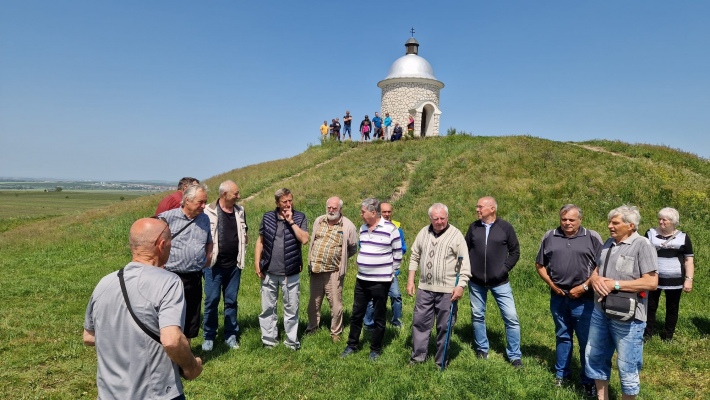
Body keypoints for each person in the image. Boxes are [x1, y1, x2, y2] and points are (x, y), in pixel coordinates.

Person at [83, 217, 203, 399]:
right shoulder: (169, 282)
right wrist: (191, 367)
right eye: (171, 240)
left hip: (109, 394)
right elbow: (172, 340)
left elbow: (89, 336)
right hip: (156, 393)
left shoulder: (104, 283)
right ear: (162, 244)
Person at [585, 205, 658, 399]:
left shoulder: (643, 245)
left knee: (627, 365)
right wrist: (595, 280)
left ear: (631, 225)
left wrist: (615, 285)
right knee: (595, 356)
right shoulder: (608, 243)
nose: (610, 226)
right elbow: (596, 270)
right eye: (609, 222)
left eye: (615, 223)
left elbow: (651, 282)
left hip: (629, 317)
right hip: (600, 311)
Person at [535, 204, 603, 397]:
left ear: (580, 220)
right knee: (562, 336)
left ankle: (588, 381)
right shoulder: (550, 236)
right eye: (564, 219)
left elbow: (601, 266)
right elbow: (539, 265)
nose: (567, 223)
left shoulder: (592, 237)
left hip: (585, 299)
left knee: (586, 341)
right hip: (558, 297)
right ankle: (561, 374)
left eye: (571, 220)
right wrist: (551, 284)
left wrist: (583, 288)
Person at [407, 203, 471, 368]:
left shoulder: (456, 235)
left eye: (442, 218)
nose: (439, 221)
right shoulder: (423, 232)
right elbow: (415, 255)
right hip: (425, 289)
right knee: (420, 323)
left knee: (445, 326)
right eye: (436, 218)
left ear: (447, 217)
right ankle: (417, 358)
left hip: (447, 291)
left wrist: (461, 285)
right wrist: (410, 280)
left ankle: (440, 361)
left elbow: (464, 263)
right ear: (430, 218)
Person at [341, 198, 402, 361]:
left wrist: (391, 273)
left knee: (379, 316)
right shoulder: (363, 228)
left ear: (373, 213)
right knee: (356, 314)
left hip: (381, 281)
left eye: (363, 212)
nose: (360, 214)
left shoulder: (391, 229)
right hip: (361, 279)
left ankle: (375, 349)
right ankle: (352, 344)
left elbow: (398, 254)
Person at [465, 196, 523, 367]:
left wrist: (503, 270)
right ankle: (482, 349)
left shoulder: (505, 227)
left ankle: (514, 355)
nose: (477, 209)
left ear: (492, 209)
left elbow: (515, 252)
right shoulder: (473, 227)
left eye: (480, 207)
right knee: (477, 315)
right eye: (477, 207)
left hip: (500, 282)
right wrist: (468, 271)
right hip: (475, 282)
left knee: (511, 317)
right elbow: (465, 249)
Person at [255, 188, 309, 349]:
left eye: (290, 200)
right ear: (277, 203)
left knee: (291, 309)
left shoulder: (299, 217)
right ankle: (269, 341)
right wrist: (257, 262)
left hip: (290, 271)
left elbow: (304, 239)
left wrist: (291, 221)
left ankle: (291, 342)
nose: (288, 204)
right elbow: (260, 241)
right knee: (267, 309)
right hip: (269, 271)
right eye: (284, 201)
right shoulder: (268, 217)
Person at [159, 183, 213, 343]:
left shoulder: (204, 218)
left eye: (205, 202)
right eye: (200, 202)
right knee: (171, 315)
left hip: (195, 275)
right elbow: (151, 238)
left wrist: (209, 254)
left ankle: (186, 352)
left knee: (191, 317)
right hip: (171, 275)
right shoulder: (168, 217)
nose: (204, 206)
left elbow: (209, 240)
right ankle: (168, 350)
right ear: (187, 200)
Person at [201, 180, 248, 351]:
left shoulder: (240, 211)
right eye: (235, 193)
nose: (238, 196)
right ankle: (209, 336)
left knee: (231, 301)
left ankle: (231, 335)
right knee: (212, 301)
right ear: (223, 195)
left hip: (234, 265)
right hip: (214, 266)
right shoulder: (208, 211)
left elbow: (244, 232)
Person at [305, 197, 358, 342]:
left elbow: (353, 247)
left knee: (335, 304)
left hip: (334, 271)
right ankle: (312, 328)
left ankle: (335, 332)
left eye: (334, 208)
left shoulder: (348, 226)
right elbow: (313, 240)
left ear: (340, 209)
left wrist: (340, 258)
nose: (331, 210)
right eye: (329, 207)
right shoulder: (319, 221)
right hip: (316, 269)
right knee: (313, 303)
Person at [643, 207, 694, 342]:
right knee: (650, 305)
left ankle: (668, 336)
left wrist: (689, 279)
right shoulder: (650, 233)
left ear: (673, 221)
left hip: (675, 279)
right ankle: (647, 334)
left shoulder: (683, 237)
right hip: (653, 277)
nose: (661, 222)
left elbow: (689, 260)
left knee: (672, 307)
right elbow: (642, 254)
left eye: (664, 220)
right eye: (659, 219)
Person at [364, 202, 407, 329]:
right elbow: (364, 245)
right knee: (371, 299)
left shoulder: (397, 228)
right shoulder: (370, 227)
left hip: (390, 271)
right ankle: (368, 323)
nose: (387, 214)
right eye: (384, 212)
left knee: (396, 295)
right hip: (373, 271)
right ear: (378, 212)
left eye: (389, 212)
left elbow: (402, 248)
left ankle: (396, 321)